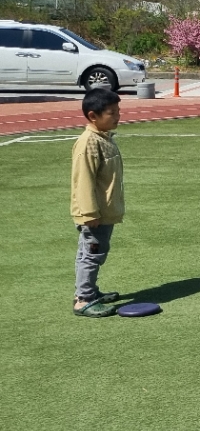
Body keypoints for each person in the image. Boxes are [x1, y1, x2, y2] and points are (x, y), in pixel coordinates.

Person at [70, 87, 126, 318]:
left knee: (90, 252)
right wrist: (89, 212)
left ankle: (89, 291)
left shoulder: (103, 138)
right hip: (95, 215)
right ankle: (83, 299)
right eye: (112, 113)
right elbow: (83, 180)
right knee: (91, 254)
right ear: (93, 116)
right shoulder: (89, 143)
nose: (118, 116)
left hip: (104, 211)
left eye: (118, 111)